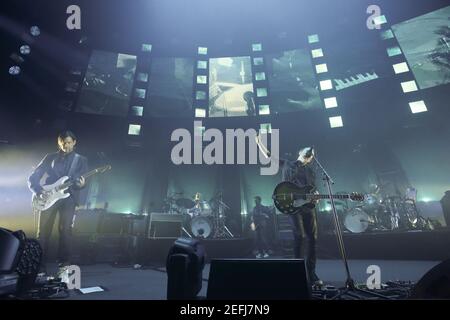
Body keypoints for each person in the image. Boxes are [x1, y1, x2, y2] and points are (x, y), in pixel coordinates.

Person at [256, 135, 323, 286]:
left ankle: (311, 273)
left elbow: (313, 188)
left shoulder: (310, 171)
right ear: (300, 152)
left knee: (313, 238)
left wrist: (317, 196)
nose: (310, 153)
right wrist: (258, 142)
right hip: (293, 207)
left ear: (311, 158)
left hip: (308, 207)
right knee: (299, 236)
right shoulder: (287, 164)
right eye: (308, 151)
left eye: (312, 154)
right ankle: (298, 271)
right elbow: (268, 156)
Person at [28, 130, 88, 270]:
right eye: (63, 143)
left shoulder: (81, 160)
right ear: (59, 143)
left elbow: (83, 183)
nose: (65, 146)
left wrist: (82, 184)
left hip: (69, 197)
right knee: (42, 232)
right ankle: (38, 263)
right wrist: (38, 191)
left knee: (65, 230)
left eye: (68, 142)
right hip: (48, 196)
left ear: (74, 142)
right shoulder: (50, 157)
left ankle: (65, 264)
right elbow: (33, 177)